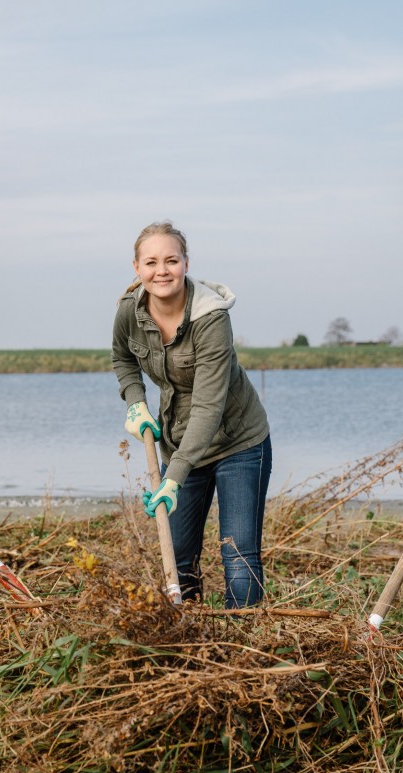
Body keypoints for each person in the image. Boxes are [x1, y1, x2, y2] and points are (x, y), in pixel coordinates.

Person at [112, 221, 272, 608]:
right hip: (179, 442)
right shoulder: (129, 313)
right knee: (179, 557)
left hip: (238, 443)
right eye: (151, 262)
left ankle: (247, 648)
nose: (161, 270)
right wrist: (136, 402)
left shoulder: (211, 318)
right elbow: (123, 359)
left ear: (186, 263)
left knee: (238, 556)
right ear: (137, 267)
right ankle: (191, 638)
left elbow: (208, 405)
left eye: (171, 260)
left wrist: (173, 478)